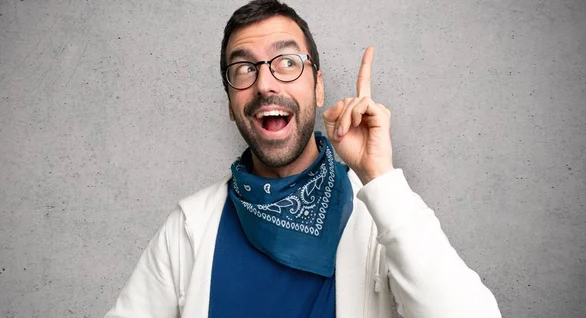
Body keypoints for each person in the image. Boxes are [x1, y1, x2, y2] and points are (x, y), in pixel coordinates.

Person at [105, 0, 502, 317]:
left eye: (287, 63)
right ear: (230, 103)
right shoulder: (190, 227)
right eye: (244, 69)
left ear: (318, 88)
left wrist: (380, 178)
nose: (264, 83)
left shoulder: (375, 217)